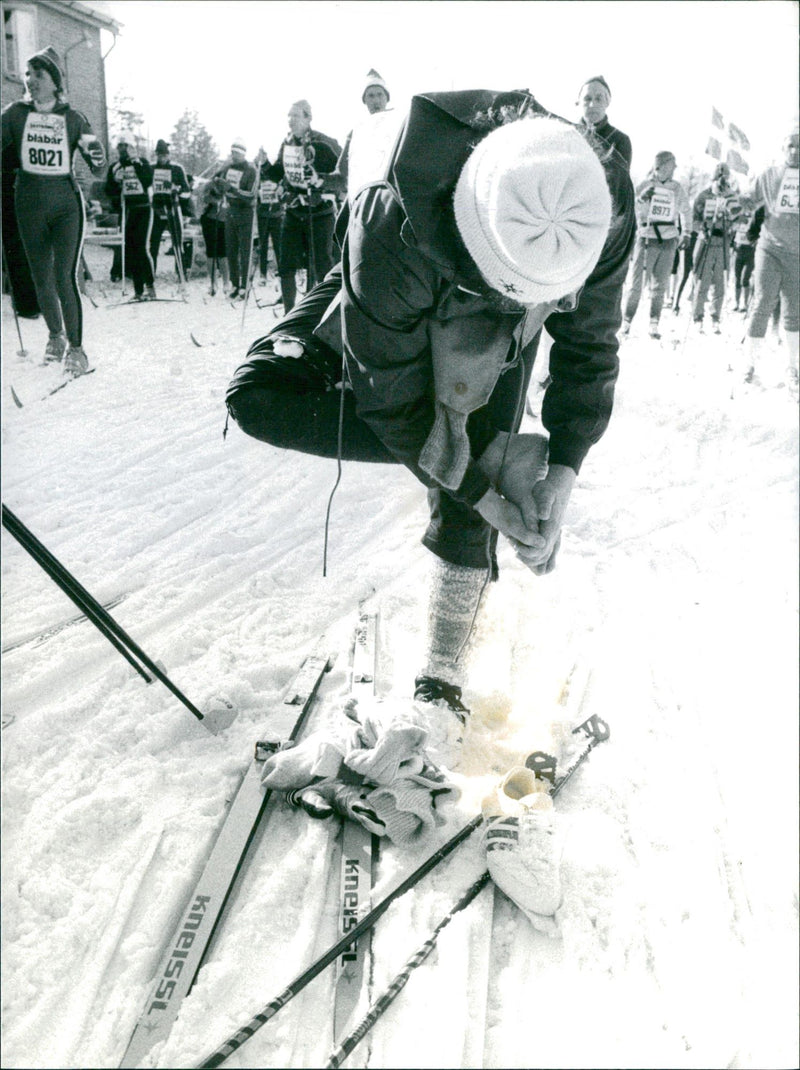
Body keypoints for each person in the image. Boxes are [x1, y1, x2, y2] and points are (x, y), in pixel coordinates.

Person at [226, 90, 635, 764]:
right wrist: (484, 486)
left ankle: (440, 683)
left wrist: (563, 466)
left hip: (503, 278)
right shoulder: (390, 225)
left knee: (466, 446)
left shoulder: (600, 206)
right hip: (397, 269)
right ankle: (485, 451)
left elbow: (590, 348)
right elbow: (393, 405)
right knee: (263, 396)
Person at [1, 46, 105, 373]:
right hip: (28, 205)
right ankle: (55, 337)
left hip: (65, 207)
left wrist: (93, 147)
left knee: (64, 277)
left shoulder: (73, 118)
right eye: (28, 74)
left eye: (38, 75)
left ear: (54, 82)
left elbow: (99, 166)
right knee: (41, 277)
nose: (30, 80)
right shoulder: (15, 113)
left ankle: (77, 349)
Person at [267, 100, 342, 312]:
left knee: (322, 266)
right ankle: (289, 315)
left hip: (320, 213)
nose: (290, 121)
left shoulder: (324, 143)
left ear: (308, 118)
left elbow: (342, 176)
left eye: (296, 116)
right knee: (286, 264)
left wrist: (321, 182)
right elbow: (278, 172)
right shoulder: (287, 143)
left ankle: (327, 312)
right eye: (289, 116)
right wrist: (263, 165)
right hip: (294, 211)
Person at [743, 128, 799, 383]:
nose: (795, 151)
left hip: (797, 253)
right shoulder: (770, 174)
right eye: (790, 145)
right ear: (783, 148)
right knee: (763, 301)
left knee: (793, 310)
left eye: (799, 146)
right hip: (770, 248)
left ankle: (792, 366)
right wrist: (737, 199)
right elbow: (747, 200)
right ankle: (749, 364)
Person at [621, 150, 690, 339]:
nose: (674, 170)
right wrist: (642, 198)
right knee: (637, 284)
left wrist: (687, 232)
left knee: (660, 284)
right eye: (671, 165)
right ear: (663, 165)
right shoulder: (645, 184)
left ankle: (654, 322)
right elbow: (630, 207)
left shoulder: (677, 188)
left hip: (668, 239)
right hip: (647, 237)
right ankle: (626, 321)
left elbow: (686, 211)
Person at [691, 162, 742, 333]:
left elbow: (739, 219)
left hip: (722, 243)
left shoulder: (731, 197)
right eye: (719, 179)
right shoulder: (703, 196)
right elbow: (695, 220)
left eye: (725, 179)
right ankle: (698, 317)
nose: (722, 183)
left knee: (720, 283)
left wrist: (733, 222)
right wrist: (702, 230)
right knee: (702, 281)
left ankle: (715, 318)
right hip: (706, 241)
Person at [106, 133, 156, 301]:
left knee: (142, 248)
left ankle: (150, 286)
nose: (123, 150)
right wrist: (116, 181)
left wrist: (135, 164)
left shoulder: (142, 163)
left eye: (126, 147)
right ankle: (138, 290)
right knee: (131, 249)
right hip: (128, 210)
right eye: (120, 147)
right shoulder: (116, 166)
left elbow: (148, 180)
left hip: (143, 208)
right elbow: (109, 189)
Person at [211, 139, 257, 299]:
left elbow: (251, 195)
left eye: (236, 153)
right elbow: (217, 187)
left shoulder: (250, 169)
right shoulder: (228, 167)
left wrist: (232, 189)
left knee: (245, 251)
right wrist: (218, 182)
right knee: (231, 250)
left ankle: (245, 286)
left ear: (243, 154)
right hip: (230, 210)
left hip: (245, 212)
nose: (233, 156)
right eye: (232, 153)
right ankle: (235, 284)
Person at [149, 138, 191, 278]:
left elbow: (187, 191)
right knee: (153, 243)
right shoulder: (151, 168)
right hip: (156, 208)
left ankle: (181, 273)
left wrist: (176, 190)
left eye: (165, 156)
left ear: (169, 155)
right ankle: (150, 273)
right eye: (160, 156)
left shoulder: (177, 169)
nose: (162, 158)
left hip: (173, 207)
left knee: (177, 241)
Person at [576, 75, 632, 170]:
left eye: (598, 99)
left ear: (607, 102)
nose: (592, 104)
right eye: (587, 99)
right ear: (578, 102)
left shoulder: (620, 140)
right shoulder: (567, 135)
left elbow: (620, 182)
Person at [199, 176, 230, 295]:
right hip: (210, 219)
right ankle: (213, 283)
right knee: (211, 252)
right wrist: (215, 196)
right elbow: (204, 198)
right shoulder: (210, 183)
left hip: (224, 219)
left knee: (223, 252)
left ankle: (226, 282)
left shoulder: (231, 180)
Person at [255, 153, 282, 286]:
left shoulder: (275, 174)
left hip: (276, 214)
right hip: (263, 214)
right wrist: (258, 194)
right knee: (263, 245)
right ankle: (262, 274)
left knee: (278, 245)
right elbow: (254, 193)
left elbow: (282, 191)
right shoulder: (258, 175)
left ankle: (281, 272)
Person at [731, 207, 756, 312]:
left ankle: (745, 304)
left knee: (744, 279)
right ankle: (736, 303)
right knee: (737, 279)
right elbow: (732, 231)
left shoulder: (754, 216)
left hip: (749, 252)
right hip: (738, 250)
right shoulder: (739, 216)